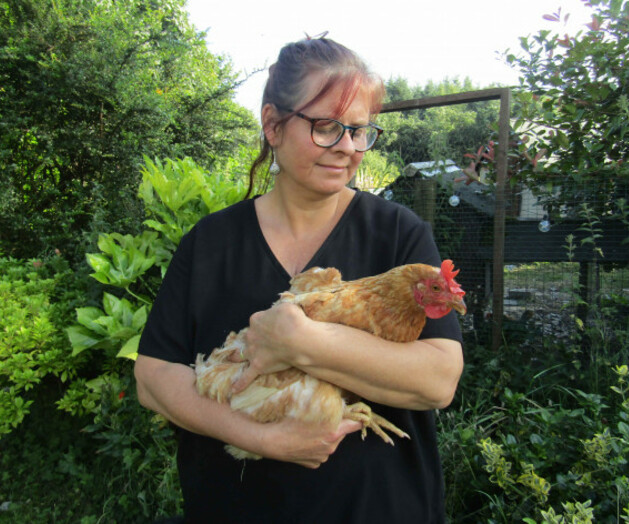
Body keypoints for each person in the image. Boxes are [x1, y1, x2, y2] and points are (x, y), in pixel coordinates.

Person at [135, 36, 464, 523]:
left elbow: (438, 381)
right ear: (272, 124)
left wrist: (303, 342)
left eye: (359, 130)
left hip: (379, 509)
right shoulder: (209, 243)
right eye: (327, 128)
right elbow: (153, 377)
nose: (348, 147)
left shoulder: (398, 233)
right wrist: (261, 439)